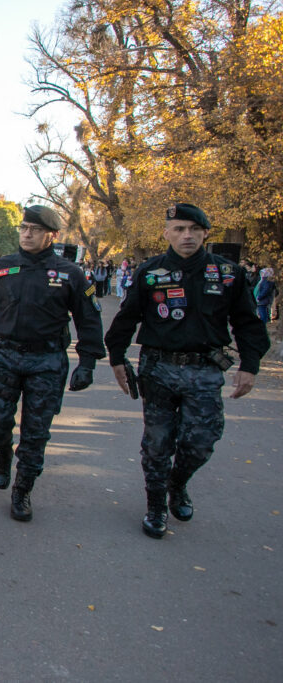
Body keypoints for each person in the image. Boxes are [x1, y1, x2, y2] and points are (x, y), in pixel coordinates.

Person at [105, 203, 271, 539]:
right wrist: (117, 358)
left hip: (205, 370)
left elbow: (247, 323)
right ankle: (156, 506)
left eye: (194, 229)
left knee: (201, 441)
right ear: (167, 233)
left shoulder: (227, 273)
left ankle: (177, 483)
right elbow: (126, 318)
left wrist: (249, 366)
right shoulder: (150, 272)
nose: (187, 236)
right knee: (157, 443)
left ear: (205, 233)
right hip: (159, 368)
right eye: (179, 229)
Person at [0, 205, 105, 521]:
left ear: (51, 235)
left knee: (36, 431)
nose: (27, 234)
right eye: (24, 228)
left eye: (36, 229)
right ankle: (3, 454)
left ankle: (23, 490)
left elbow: (88, 319)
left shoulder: (70, 273)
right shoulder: (1, 268)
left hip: (47, 360)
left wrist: (87, 362)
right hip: (5, 355)